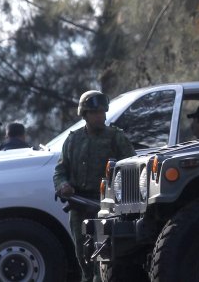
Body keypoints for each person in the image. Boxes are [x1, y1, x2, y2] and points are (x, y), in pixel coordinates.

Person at [53, 90, 134, 282]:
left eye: (103, 112)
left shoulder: (116, 137)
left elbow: (131, 167)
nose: (101, 116)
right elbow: (60, 170)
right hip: (78, 206)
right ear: (85, 114)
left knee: (103, 257)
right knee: (83, 257)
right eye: (95, 112)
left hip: (104, 207)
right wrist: (63, 185)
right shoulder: (73, 140)